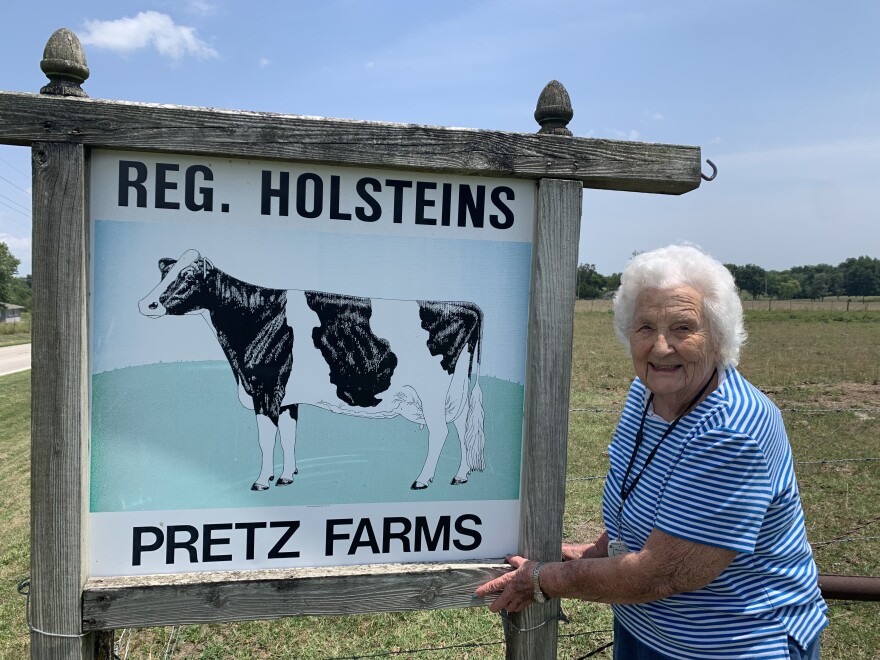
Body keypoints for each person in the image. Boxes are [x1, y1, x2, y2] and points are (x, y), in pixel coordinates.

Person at [475, 245, 827, 659]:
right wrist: (595, 553)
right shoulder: (645, 392)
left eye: (683, 328)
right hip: (647, 629)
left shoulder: (732, 429)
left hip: (731, 643)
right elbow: (643, 497)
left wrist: (545, 579)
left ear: (718, 336)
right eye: (645, 328)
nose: (660, 348)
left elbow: (664, 572)